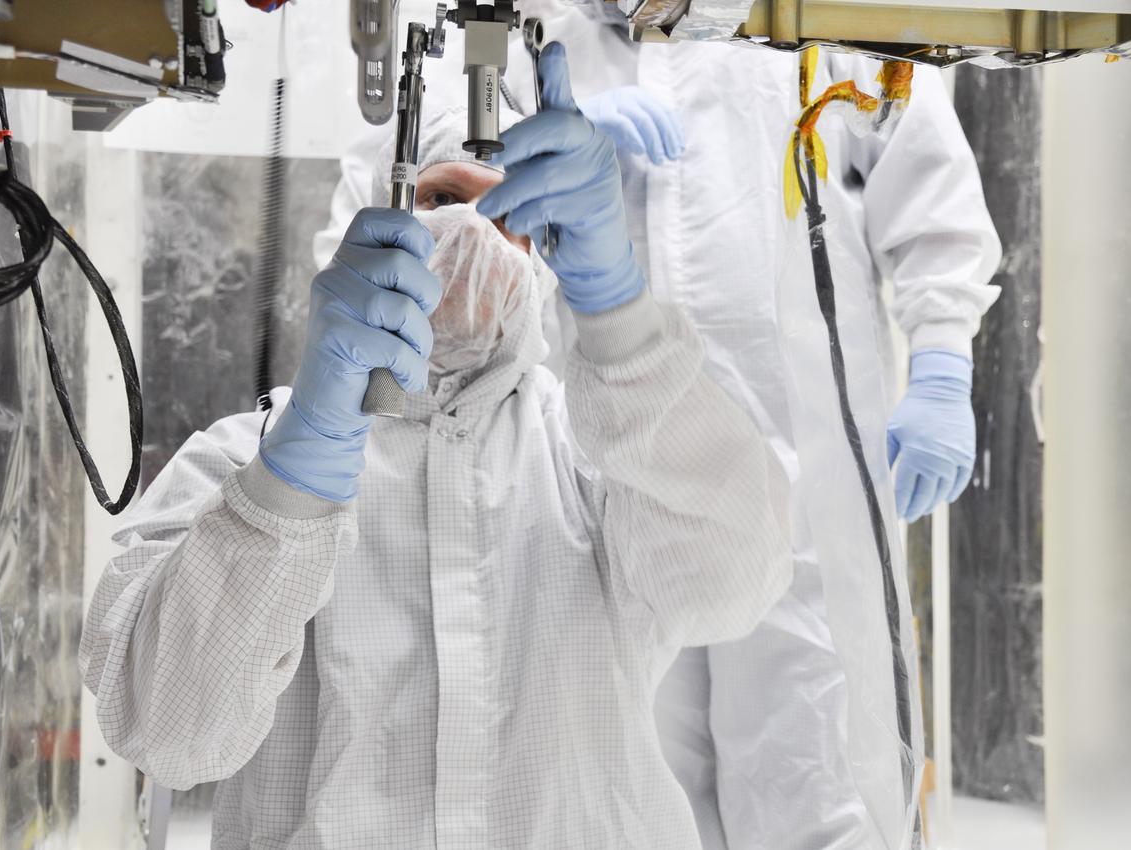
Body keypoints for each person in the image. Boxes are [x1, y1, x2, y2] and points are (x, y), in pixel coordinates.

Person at [318, 8, 1002, 848]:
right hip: (601, 490)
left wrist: (942, 356)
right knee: (628, 761)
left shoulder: (809, 23)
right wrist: (516, 150)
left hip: (806, 463)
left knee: (821, 765)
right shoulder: (519, 22)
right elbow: (394, 185)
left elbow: (922, 164)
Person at [79, 45, 792, 849]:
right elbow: (167, 731)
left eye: (509, 216)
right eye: (443, 196)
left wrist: (620, 314)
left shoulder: (597, 456)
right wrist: (293, 483)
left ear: (547, 257)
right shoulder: (246, 463)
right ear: (369, 219)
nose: (474, 234)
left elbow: (733, 580)